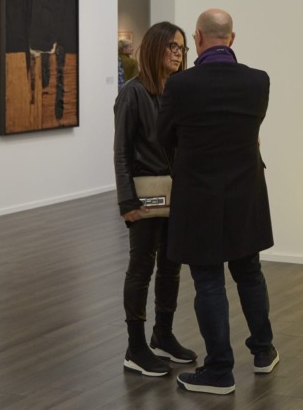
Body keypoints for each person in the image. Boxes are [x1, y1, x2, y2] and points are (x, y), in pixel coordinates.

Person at [157, 8, 278, 396]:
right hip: (246, 192)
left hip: (199, 196)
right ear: (232, 38)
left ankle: (220, 371)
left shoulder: (180, 86)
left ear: (197, 38)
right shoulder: (258, 82)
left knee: (208, 280)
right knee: (249, 271)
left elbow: (164, 137)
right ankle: (264, 352)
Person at [113, 21, 198, 377]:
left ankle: (162, 335)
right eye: (172, 48)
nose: (178, 54)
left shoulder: (177, 92)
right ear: (155, 49)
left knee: (170, 265)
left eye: (182, 48)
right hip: (144, 196)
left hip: (176, 193)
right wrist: (127, 202)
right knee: (141, 268)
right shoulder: (132, 93)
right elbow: (121, 152)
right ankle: (135, 348)